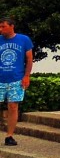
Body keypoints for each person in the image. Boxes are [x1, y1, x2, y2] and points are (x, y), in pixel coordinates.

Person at [0, 16, 33, 146]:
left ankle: (9, 135)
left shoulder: (24, 40)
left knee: (13, 106)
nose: (1, 29)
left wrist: (26, 76)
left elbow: (29, 59)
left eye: (3, 26)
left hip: (16, 78)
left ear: (11, 26)